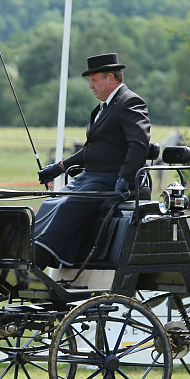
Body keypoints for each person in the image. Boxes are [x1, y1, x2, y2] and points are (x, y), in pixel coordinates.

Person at [33, 53, 151, 268]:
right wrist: (60, 167)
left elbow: (139, 145)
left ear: (111, 78)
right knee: (53, 201)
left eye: (94, 80)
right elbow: (91, 151)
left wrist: (125, 177)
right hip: (92, 177)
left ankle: (43, 255)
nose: (90, 86)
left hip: (111, 178)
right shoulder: (102, 108)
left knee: (69, 204)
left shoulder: (130, 102)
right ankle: (31, 248)